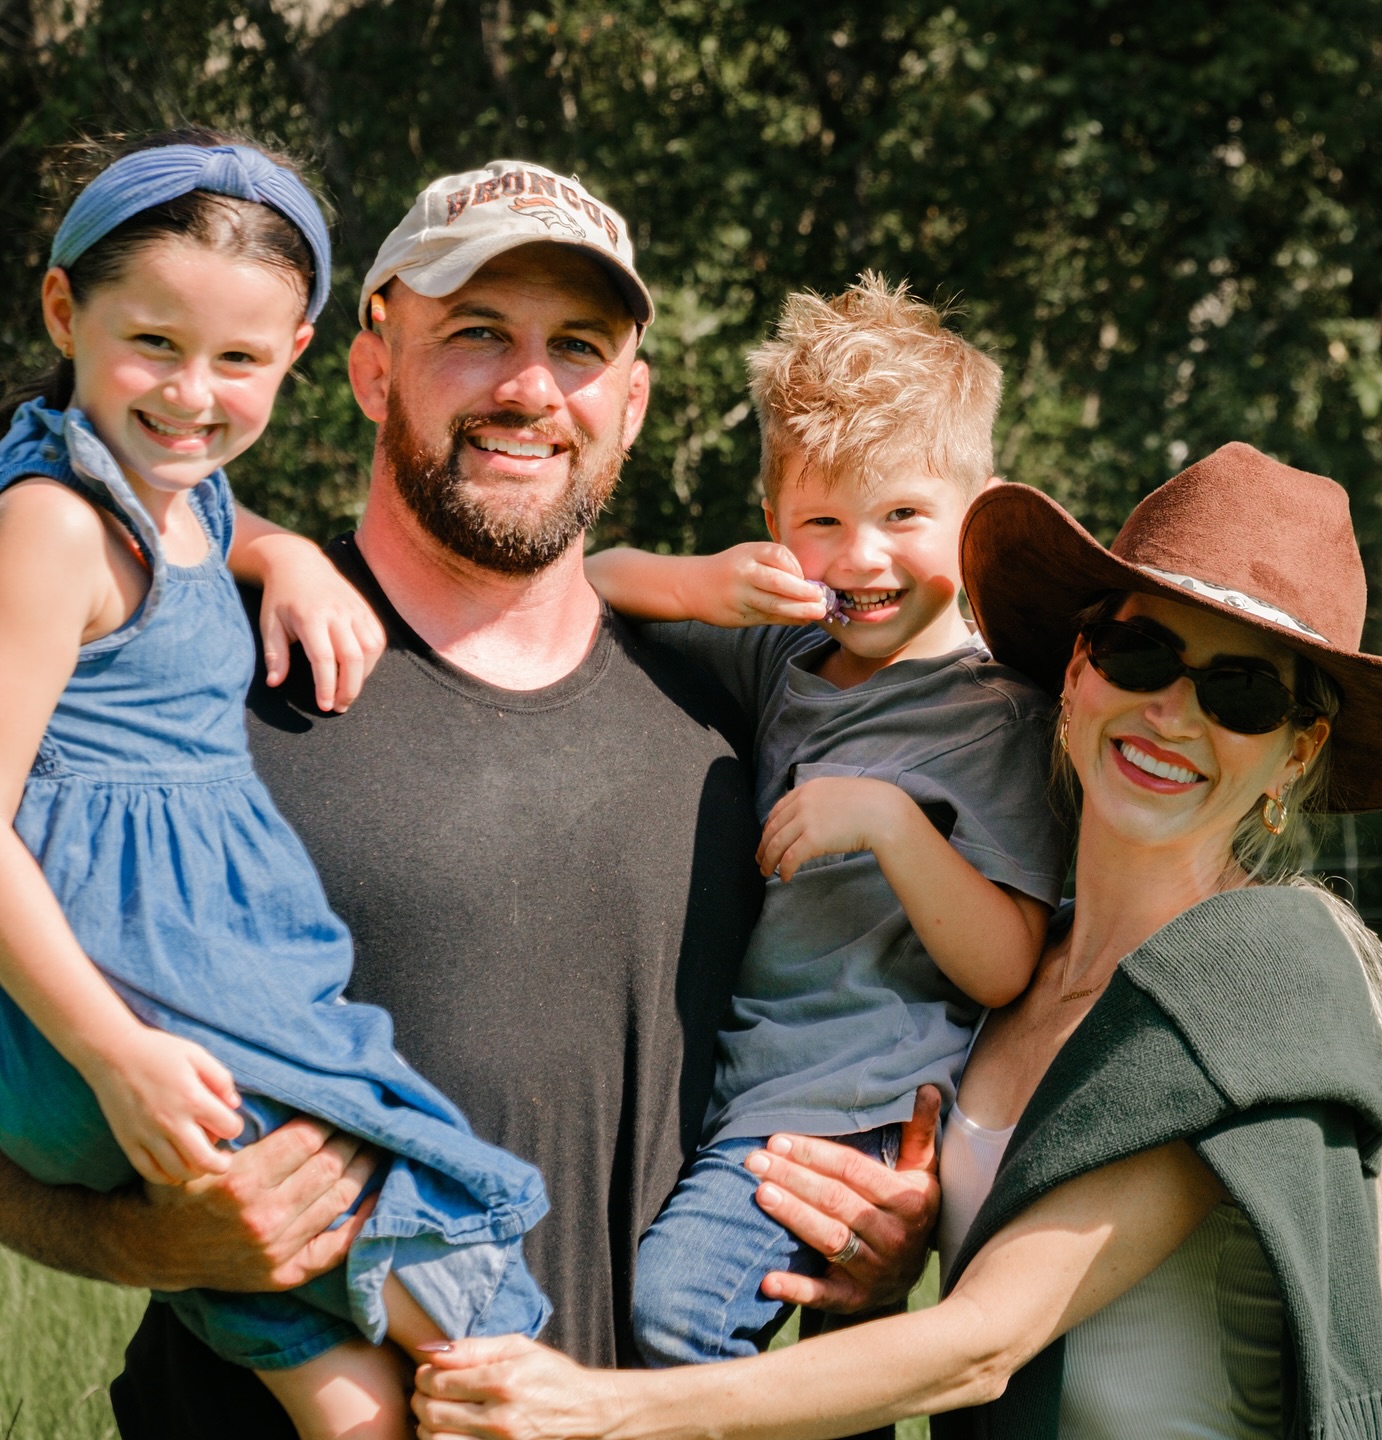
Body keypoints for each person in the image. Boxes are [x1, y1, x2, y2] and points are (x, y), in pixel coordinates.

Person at [0, 158, 934, 1439]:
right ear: (372, 366)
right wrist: (144, 1239)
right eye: (477, 334)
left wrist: (890, 1219)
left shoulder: (756, 705)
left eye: (580, 347)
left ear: (637, 400)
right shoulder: (199, 670)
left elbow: (891, 1013)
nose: (530, 388)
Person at [407, 442, 1382, 1440]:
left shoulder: (1262, 961)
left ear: (1297, 752)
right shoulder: (1005, 988)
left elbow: (986, 1341)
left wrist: (596, 1411)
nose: (1172, 712)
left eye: (1243, 692)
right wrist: (880, 1261)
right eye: (1140, 653)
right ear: (1076, 676)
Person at [0, 132, 570, 1440]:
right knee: (486, 1337)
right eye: (154, 342)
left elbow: (198, 517)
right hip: (150, 1012)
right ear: (59, 308)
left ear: (297, 354)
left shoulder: (172, 494)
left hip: (161, 1009)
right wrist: (116, 1051)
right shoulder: (50, 524)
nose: (194, 395)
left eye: (240, 361)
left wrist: (287, 555)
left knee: (362, 1409)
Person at [585, 274, 1067, 1364]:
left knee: (672, 1315)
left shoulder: (996, 715)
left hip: (856, 1102)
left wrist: (894, 824)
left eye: (904, 514)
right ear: (774, 526)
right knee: (827, 1394)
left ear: (978, 513)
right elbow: (595, 582)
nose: (861, 559)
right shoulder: (784, 657)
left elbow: (1002, 964)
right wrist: (705, 583)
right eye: (823, 521)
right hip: (746, 1085)